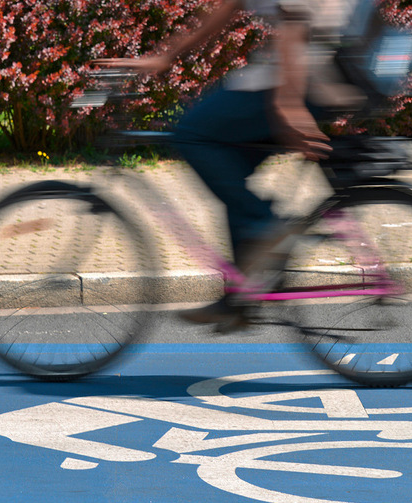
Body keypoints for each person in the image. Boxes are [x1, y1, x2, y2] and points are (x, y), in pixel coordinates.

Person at [101, 0, 363, 325]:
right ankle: (242, 292)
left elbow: (294, 21)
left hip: (303, 78)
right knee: (229, 173)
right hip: (309, 74)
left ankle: (267, 228)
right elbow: (223, 10)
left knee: (193, 134)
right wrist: (166, 56)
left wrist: (288, 104)